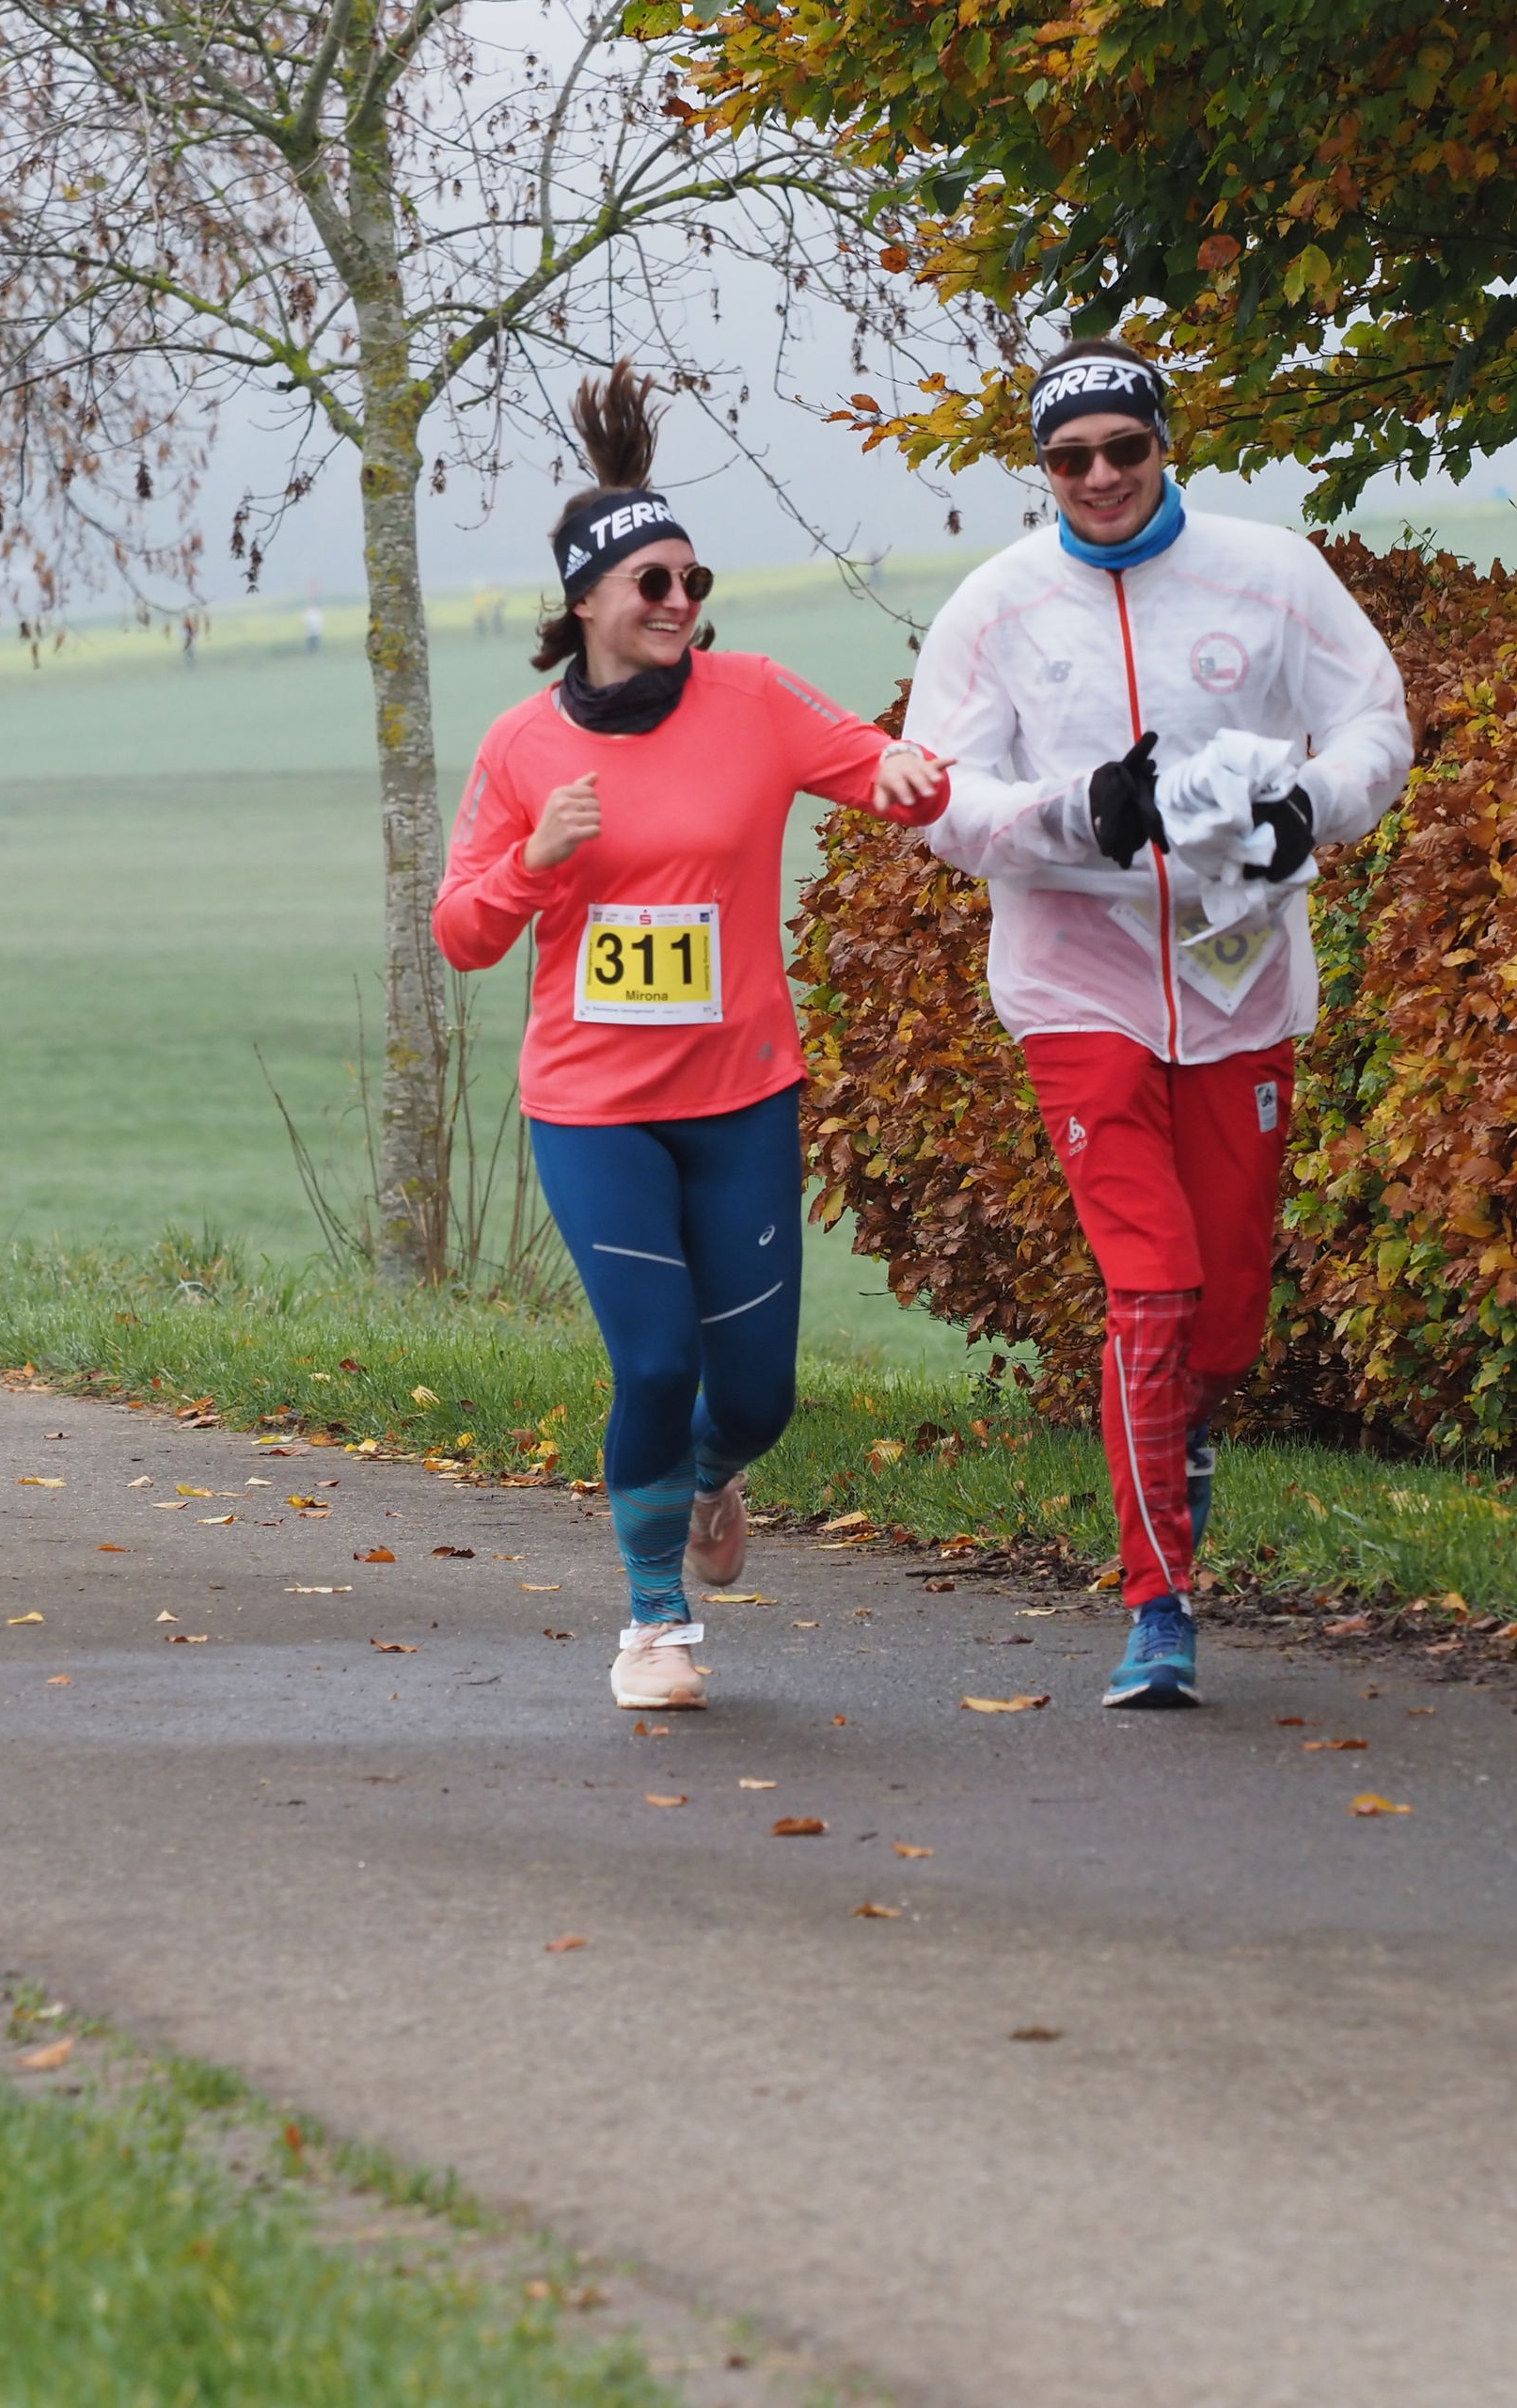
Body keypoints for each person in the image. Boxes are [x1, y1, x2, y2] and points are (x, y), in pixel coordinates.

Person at [435, 363, 949, 1712]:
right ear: (586, 603)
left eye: (691, 581)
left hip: (739, 1097)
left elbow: (880, 766)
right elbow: (461, 934)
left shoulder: (755, 697)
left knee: (759, 1397)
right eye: (652, 584)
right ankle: (651, 1623)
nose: (679, 603)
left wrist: (907, 772)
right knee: (656, 1361)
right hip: (594, 1108)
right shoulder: (520, 750)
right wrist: (536, 862)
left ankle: (715, 1475)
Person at [908, 340, 1413, 1708]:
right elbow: (941, 795)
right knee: (1154, 1287)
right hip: (1078, 988)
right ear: (1043, 469)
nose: (1100, 477)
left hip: (1241, 986)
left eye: (1123, 449)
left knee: (1223, 1321)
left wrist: (1314, 807)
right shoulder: (998, 604)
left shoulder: (1270, 571)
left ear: (1165, 443)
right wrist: (1076, 812)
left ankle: (1180, 1442)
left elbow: (1374, 723)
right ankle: (1157, 1607)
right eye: (1070, 459)